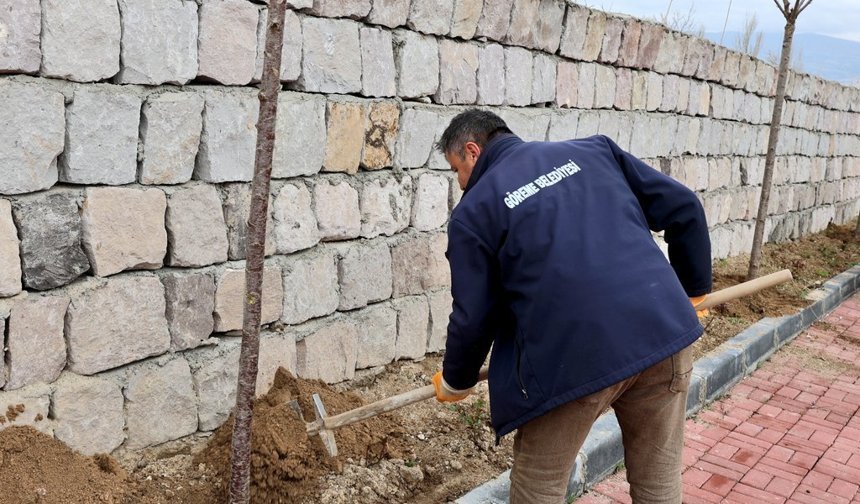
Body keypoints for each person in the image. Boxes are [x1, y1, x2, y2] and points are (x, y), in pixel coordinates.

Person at [430, 109, 712, 503]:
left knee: (538, 487)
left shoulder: (474, 212)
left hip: (571, 360)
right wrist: (693, 292)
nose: (461, 183)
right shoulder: (595, 151)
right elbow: (685, 207)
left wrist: (456, 380)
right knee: (658, 483)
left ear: (473, 151)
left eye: (456, 170)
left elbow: (474, 315)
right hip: (663, 333)